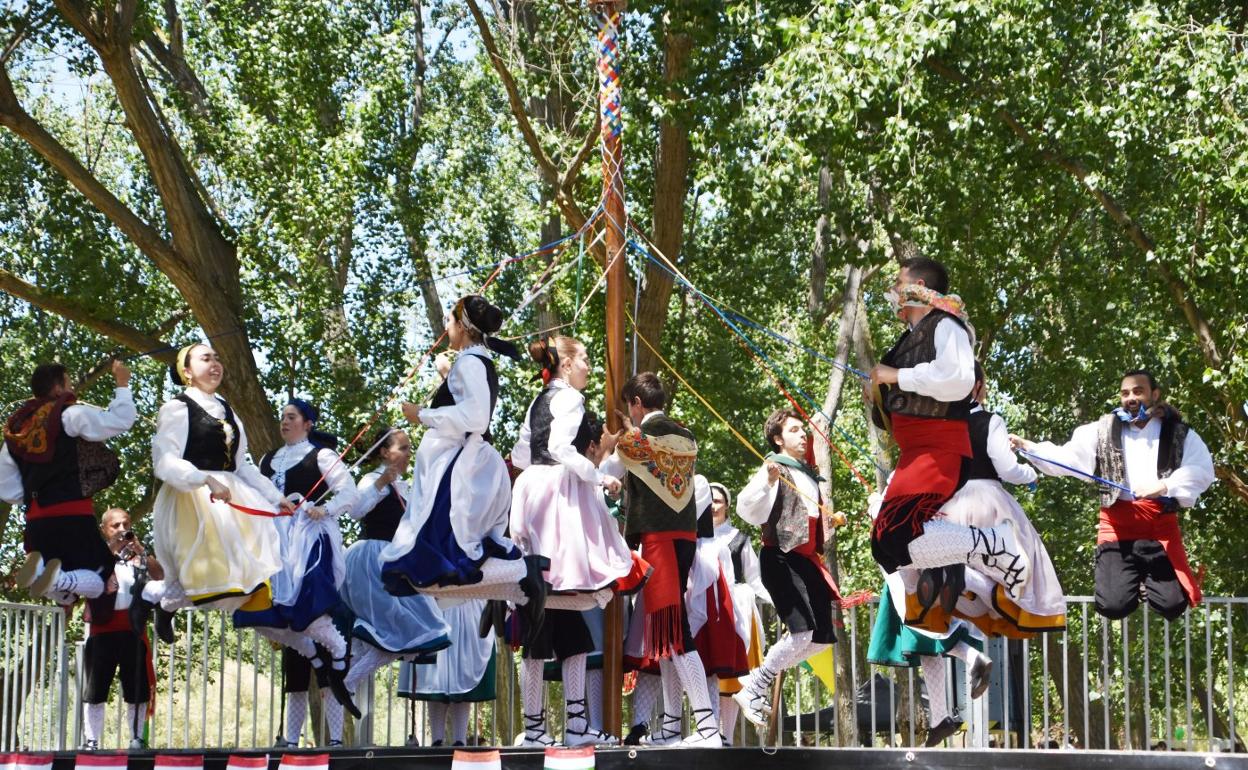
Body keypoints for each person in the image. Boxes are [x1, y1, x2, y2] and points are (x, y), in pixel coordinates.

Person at [864, 258, 1031, 616]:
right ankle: (983, 553)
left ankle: (994, 542)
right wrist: (880, 392)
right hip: (919, 453)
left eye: (899, 282)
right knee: (886, 544)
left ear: (918, 285)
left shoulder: (945, 325)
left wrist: (896, 377)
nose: (893, 290)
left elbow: (958, 380)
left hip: (938, 449)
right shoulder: (914, 336)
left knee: (893, 538)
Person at [380, 295, 545, 624]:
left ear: (464, 327)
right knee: (440, 560)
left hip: (459, 470)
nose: (446, 327)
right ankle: (514, 587)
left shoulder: (470, 363)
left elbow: (476, 417)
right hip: (459, 464)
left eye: (450, 321)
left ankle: (523, 574)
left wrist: (421, 414)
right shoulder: (471, 361)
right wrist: (448, 375)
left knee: (439, 557)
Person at [509, 336, 636, 747]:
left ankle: (562, 726)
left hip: (535, 492)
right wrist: (599, 476)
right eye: (584, 359)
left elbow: (521, 455)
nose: (589, 367)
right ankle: (543, 729)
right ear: (565, 364)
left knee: (559, 622)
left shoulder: (539, 400)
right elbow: (561, 447)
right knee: (547, 611)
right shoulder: (570, 400)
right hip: (558, 500)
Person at [1012, 369, 1215, 620]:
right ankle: (1134, 581)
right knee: (1112, 606)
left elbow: (1202, 469)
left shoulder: (1179, 433)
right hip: (1117, 526)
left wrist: (1164, 486)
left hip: (1159, 527)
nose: (1131, 397)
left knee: (1172, 605)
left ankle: (1147, 581)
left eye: (1138, 391)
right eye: (1125, 393)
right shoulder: (1102, 429)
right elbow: (1070, 459)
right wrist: (1029, 448)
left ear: (1155, 394)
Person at [602, 372, 720, 746]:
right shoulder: (685, 436)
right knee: (667, 639)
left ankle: (708, 728)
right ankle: (671, 727)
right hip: (683, 539)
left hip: (659, 543)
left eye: (630, 407)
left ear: (636, 403)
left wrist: (610, 444)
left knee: (677, 634)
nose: (630, 415)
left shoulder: (636, 439)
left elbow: (607, 473)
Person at [234, 398, 362, 722]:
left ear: (307, 424)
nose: (284, 422)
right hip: (274, 546)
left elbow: (349, 492)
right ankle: (318, 657)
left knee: (307, 608)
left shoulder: (321, 455)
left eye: (291, 417)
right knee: (258, 614)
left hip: (308, 541)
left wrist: (326, 509)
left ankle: (334, 650)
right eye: (283, 417)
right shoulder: (266, 460)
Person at [150, 343, 291, 611]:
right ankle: (157, 601)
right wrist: (203, 479)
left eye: (217, 357)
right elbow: (165, 460)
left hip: (230, 497)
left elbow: (241, 465)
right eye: (206, 359)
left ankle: (161, 604)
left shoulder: (227, 409)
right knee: (211, 576)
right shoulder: (177, 408)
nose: (215, 363)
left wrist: (276, 497)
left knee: (245, 577)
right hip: (193, 498)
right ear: (187, 371)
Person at [733, 410, 839, 727]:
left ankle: (755, 682)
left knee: (820, 638)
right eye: (794, 430)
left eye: (802, 429)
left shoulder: (807, 473)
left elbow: (807, 520)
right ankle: (754, 686)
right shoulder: (773, 468)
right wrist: (766, 482)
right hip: (780, 557)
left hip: (804, 561)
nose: (802, 434)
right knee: (802, 632)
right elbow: (745, 507)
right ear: (779, 439)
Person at [3, 360, 135, 607]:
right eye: (68, 382)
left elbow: (4, 484)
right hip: (72, 519)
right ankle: (55, 579)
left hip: (35, 522)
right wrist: (122, 383)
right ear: (57, 389)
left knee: (66, 590)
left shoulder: (17, 430)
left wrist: (35, 495)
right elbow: (121, 420)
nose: (72, 388)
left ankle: (46, 575)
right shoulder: (69, 414)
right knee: (101, 577)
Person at [339, 427, 451, 701]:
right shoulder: (371, 479)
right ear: (384, 452)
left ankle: (349, 670)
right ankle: (349, 678)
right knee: (406, 630)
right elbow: (355, 511)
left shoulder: (406, 486)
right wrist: (379, 485)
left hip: (394, 562)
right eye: (402, 448)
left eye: (409, 448)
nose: (408, 454)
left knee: (420, 629)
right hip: (371, 561)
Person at [80, 508, 168, 750]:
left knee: (137, 691)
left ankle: (137, 739)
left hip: (133, 629)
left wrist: (140, 550)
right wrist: (113, 549)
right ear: (104, 529)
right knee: (95, 691)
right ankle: (91, 740)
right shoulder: (96, 553)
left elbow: (160, 575)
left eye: (125, 524)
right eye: (115, 526)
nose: (121, 530)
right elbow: (92, 572)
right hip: (102, 631)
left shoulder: (137, 557)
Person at [708, 481, 771, 744]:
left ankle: (726, 736)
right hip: (704, 609)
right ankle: (708, 731)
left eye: (718, 501)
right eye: (709, 500)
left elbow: (756, 579)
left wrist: (780, 602)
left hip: (736, 611)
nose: (713, 506)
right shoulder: (694, 536)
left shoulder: (739, 539)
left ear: (728, 505)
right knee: (707, 672)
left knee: (732, 676)